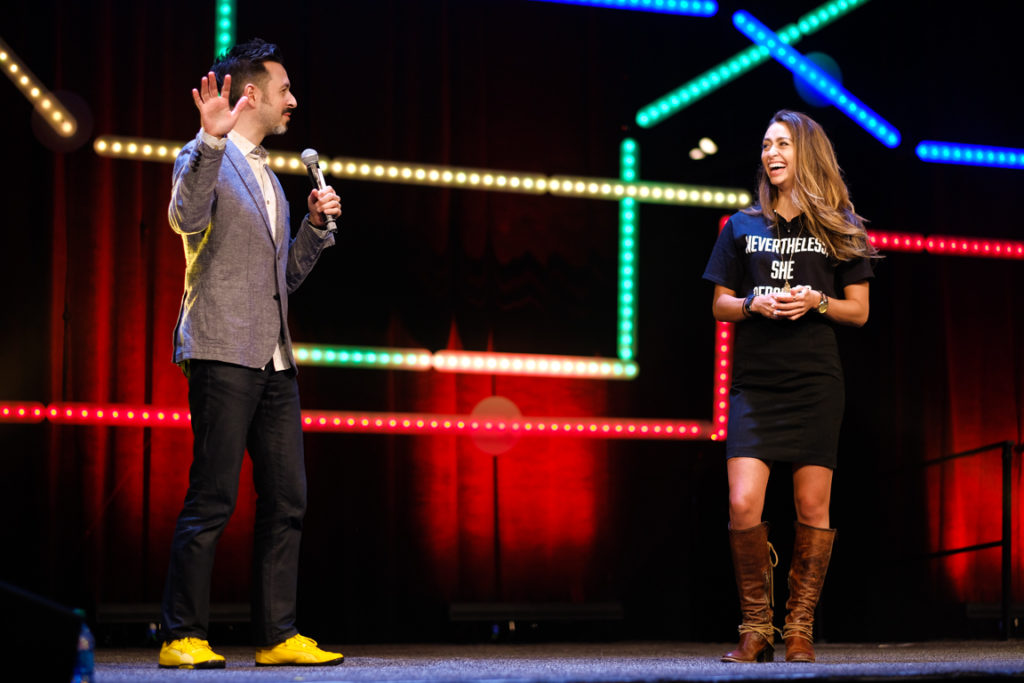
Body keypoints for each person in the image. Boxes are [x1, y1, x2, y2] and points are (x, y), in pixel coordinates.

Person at [159, 38, 344, 669]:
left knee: (288, 497)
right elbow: (185, 217)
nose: (294, 101)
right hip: (221, 349)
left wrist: (315, 232)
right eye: (285, 90)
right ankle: (181, 634)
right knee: (212, 498)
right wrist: (210, 141)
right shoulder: (201, 155)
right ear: (251, 95)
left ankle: (277, 635)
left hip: (274, 359)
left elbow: (281, 279)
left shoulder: (268, 174)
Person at [702, 110, 875, 663]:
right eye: (765, 144)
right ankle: (756, 628)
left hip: (815, 384)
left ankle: (798, 629)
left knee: (810, 504)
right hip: (756, 384)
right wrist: (753, 302)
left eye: (782, 144)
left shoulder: (839, 225)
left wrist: (816, 300)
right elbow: (719, 304)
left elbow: (860, 312)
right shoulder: (741, 226)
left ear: (806, 151)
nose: (770, 153)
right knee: (742, 502)